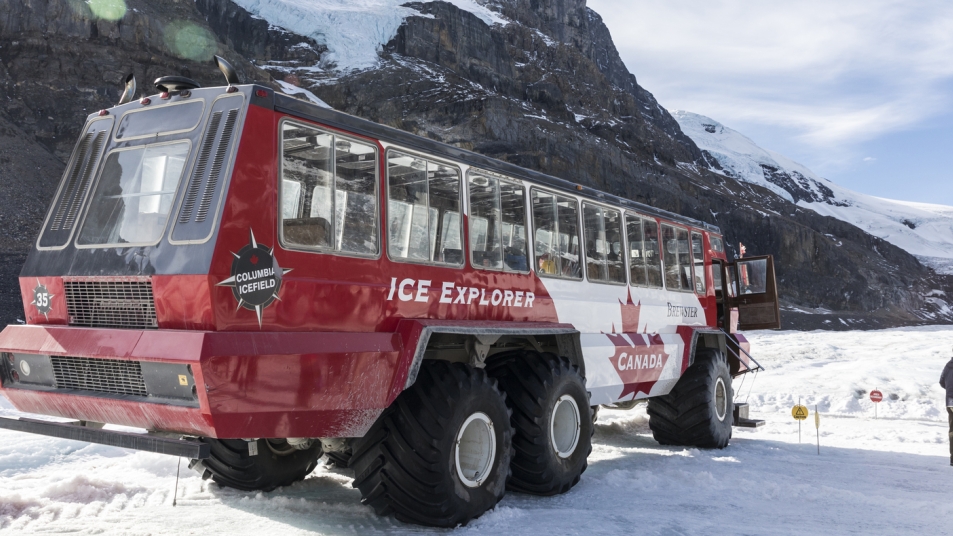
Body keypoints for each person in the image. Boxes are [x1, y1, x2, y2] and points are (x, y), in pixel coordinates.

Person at [940, 350, 953, 466]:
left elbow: (941, 382)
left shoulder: (948, 365)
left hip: (950, 402)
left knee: (952, 431)